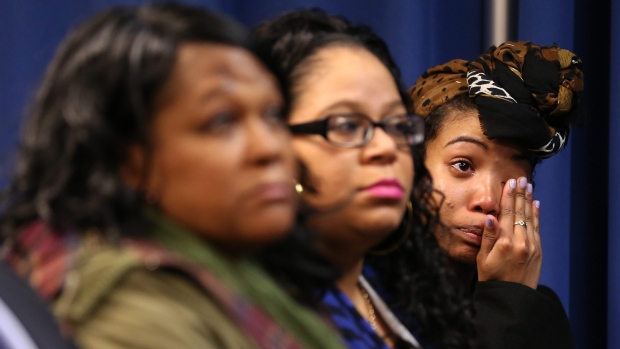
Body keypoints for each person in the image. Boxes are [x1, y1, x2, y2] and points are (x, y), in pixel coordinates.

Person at [0, 3, 347, 349]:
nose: (270, 148)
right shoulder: (129, 303)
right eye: (222, 121)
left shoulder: (252, 273)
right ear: (129, 161)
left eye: (273, 115)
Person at [254, 9, 475, 349]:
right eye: (347, 125)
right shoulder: (243, 311)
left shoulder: (413, 299)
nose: (386, 147)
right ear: (270, 141)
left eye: (397, 126)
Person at [409, 40, 583, 349]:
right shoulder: (351, 299)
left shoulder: (538, 312)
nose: (488, 200)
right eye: (463, 165)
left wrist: (509, 299)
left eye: (511, 181)